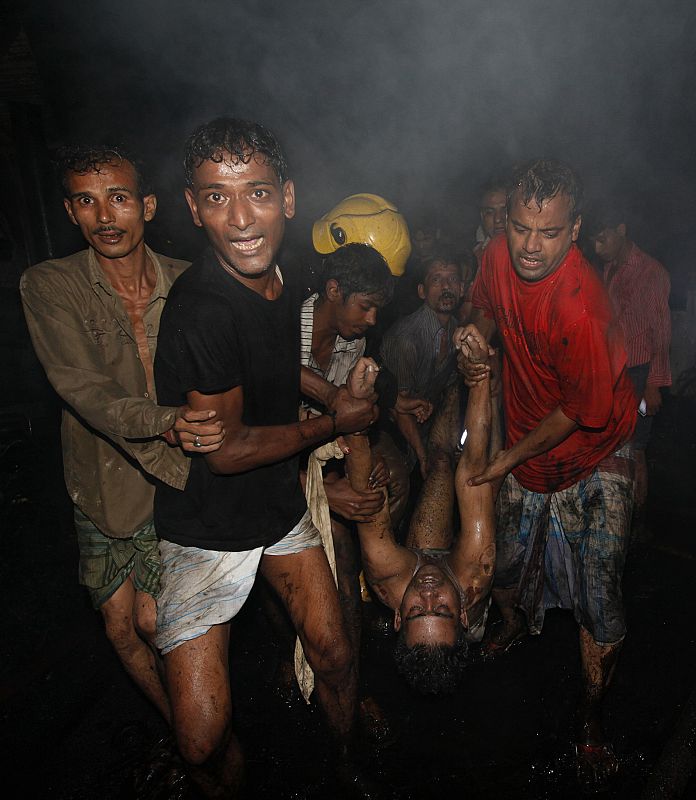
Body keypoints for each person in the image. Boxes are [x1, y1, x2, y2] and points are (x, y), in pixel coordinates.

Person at [152, 117, 380, 798]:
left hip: (278, 508)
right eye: (216, 197)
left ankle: (344, 769)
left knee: (334, 653)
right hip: (206, 527)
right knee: (201, 736)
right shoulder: (203, 310)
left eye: (256, 192)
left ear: (287, 197)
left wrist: (331, 394)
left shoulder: (277, 276)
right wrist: (334, 423)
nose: (241, 218)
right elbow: (227, 452)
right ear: (194, 208)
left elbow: (274, 363)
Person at [20, 145, 224, 726]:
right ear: (70, 212)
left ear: (148, 206)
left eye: (118, 198)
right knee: (119, 629)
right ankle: (184, 737)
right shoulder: (49, 285)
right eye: (86, 201)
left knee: (155, 621)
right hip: (103, 481)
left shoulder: (191, 282)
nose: (105, 216)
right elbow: (83, 388)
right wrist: (165, 420)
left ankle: (206, 740)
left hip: (182, 479)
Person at [460, 159, 636, 790]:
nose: (531, 247)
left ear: (575, 230)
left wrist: (507, 459)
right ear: (506, 221)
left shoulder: (582, 307)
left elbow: (580, 412)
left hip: (591, 451)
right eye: (520, 227)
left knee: (599, 598)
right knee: (503, 566)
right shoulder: (495, 256)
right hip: (527, 440)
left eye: (550, 232)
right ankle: (512, 623)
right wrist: (476, 340)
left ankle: (591, 718)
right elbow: (485, 307)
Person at [348, 324, 498, 694]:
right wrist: (479, 375)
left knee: (438, 466)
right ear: (461, 615)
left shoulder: (386, 576)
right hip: (463, 575)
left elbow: (367, 498)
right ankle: (462, 383)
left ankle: (450, 387)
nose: (429, 594)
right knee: (483, 481)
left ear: (399, 617)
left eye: (417, 610)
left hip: (415, 561)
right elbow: (474, 472)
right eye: (441, 609)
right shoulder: (474, 576)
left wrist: (357, 406)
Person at [588, 205, 671, 527]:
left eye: (602, 239)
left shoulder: (651, 272)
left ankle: (636, 521)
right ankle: (613, 517)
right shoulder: (610, 267)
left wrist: (653, 384)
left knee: (636, 448)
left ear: (621, 230)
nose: (598, 248)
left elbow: (661, 333)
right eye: (594, 241)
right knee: (614, 445)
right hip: (614, 371)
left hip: (640, 372)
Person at [380, 252, 467, 478]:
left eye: (453, 279)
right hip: (390, 437)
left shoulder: (456, 330)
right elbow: (398, 408)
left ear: (462, 289)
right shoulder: (406, 339)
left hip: (423, 433)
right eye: (436, 279)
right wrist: (423, 456)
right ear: (422, 291)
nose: (446, 286)